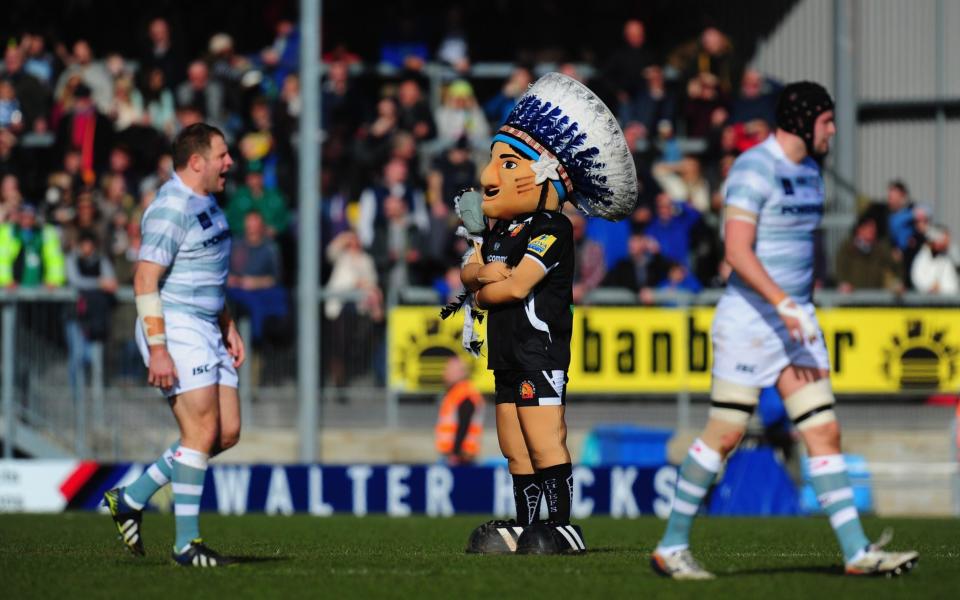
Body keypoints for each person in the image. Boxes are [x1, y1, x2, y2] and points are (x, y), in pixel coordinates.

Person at [650, 81, 918, 579]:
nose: (833, 130)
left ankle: (857, 552)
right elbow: (737, 252)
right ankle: (670, 545)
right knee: (725, 433)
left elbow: (794, 252)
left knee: (824, 430)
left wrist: (800, 305)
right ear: (802, 121)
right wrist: (782, 302)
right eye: (827, 122)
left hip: (796, 322)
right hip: (751, 322)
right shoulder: (755, 168)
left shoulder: (812, 173)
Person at [458, 73, 636, 554]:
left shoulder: (553, 228)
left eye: (507, 162)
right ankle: (527, 521)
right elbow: (471, 278)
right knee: (513, 445)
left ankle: (561, 526)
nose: (488, 176)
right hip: (505, 351)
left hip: (539, 350)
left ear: (546, 175)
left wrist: (487, 279)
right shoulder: (501, 230)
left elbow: (511, 286)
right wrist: (485, 276)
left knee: (543, 438)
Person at [102, 123, 244, 568]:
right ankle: (186, 545)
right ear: (196, 161)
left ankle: (132, 497)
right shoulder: (169, 208)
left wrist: (227, 323)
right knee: (199, 433)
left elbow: (206, 271)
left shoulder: (210, 204)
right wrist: (159, 348)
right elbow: (145, 278)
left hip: (207, 325)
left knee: (225, 433)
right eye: (222, 155)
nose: (230, 162)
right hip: (176, 326)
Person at [435, 356, 485, 465]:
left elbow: (464, 425)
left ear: (461, 373)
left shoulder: (465, 395)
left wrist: (455, 453)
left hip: (461, 457)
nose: (445, 374)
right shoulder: (455, 393)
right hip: (454, 455)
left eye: (449, 370)